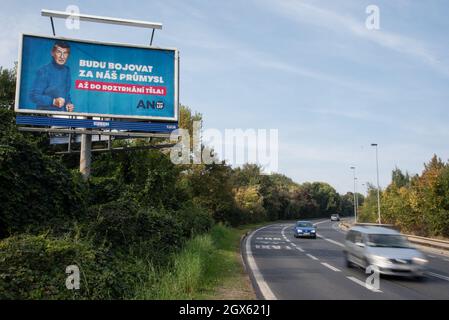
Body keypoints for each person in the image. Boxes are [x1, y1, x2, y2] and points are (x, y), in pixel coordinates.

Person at [30, 41, 75, 112]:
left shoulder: (67, 70)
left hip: (62, 116)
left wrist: (69, 103)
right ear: (52, 53)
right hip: (45, 117)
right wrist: (53, 101)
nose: (62, 56)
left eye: (65, 53)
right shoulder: (44, 71)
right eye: (59, 52)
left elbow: (66, 93)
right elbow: (33, 96)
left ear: (68, 55)